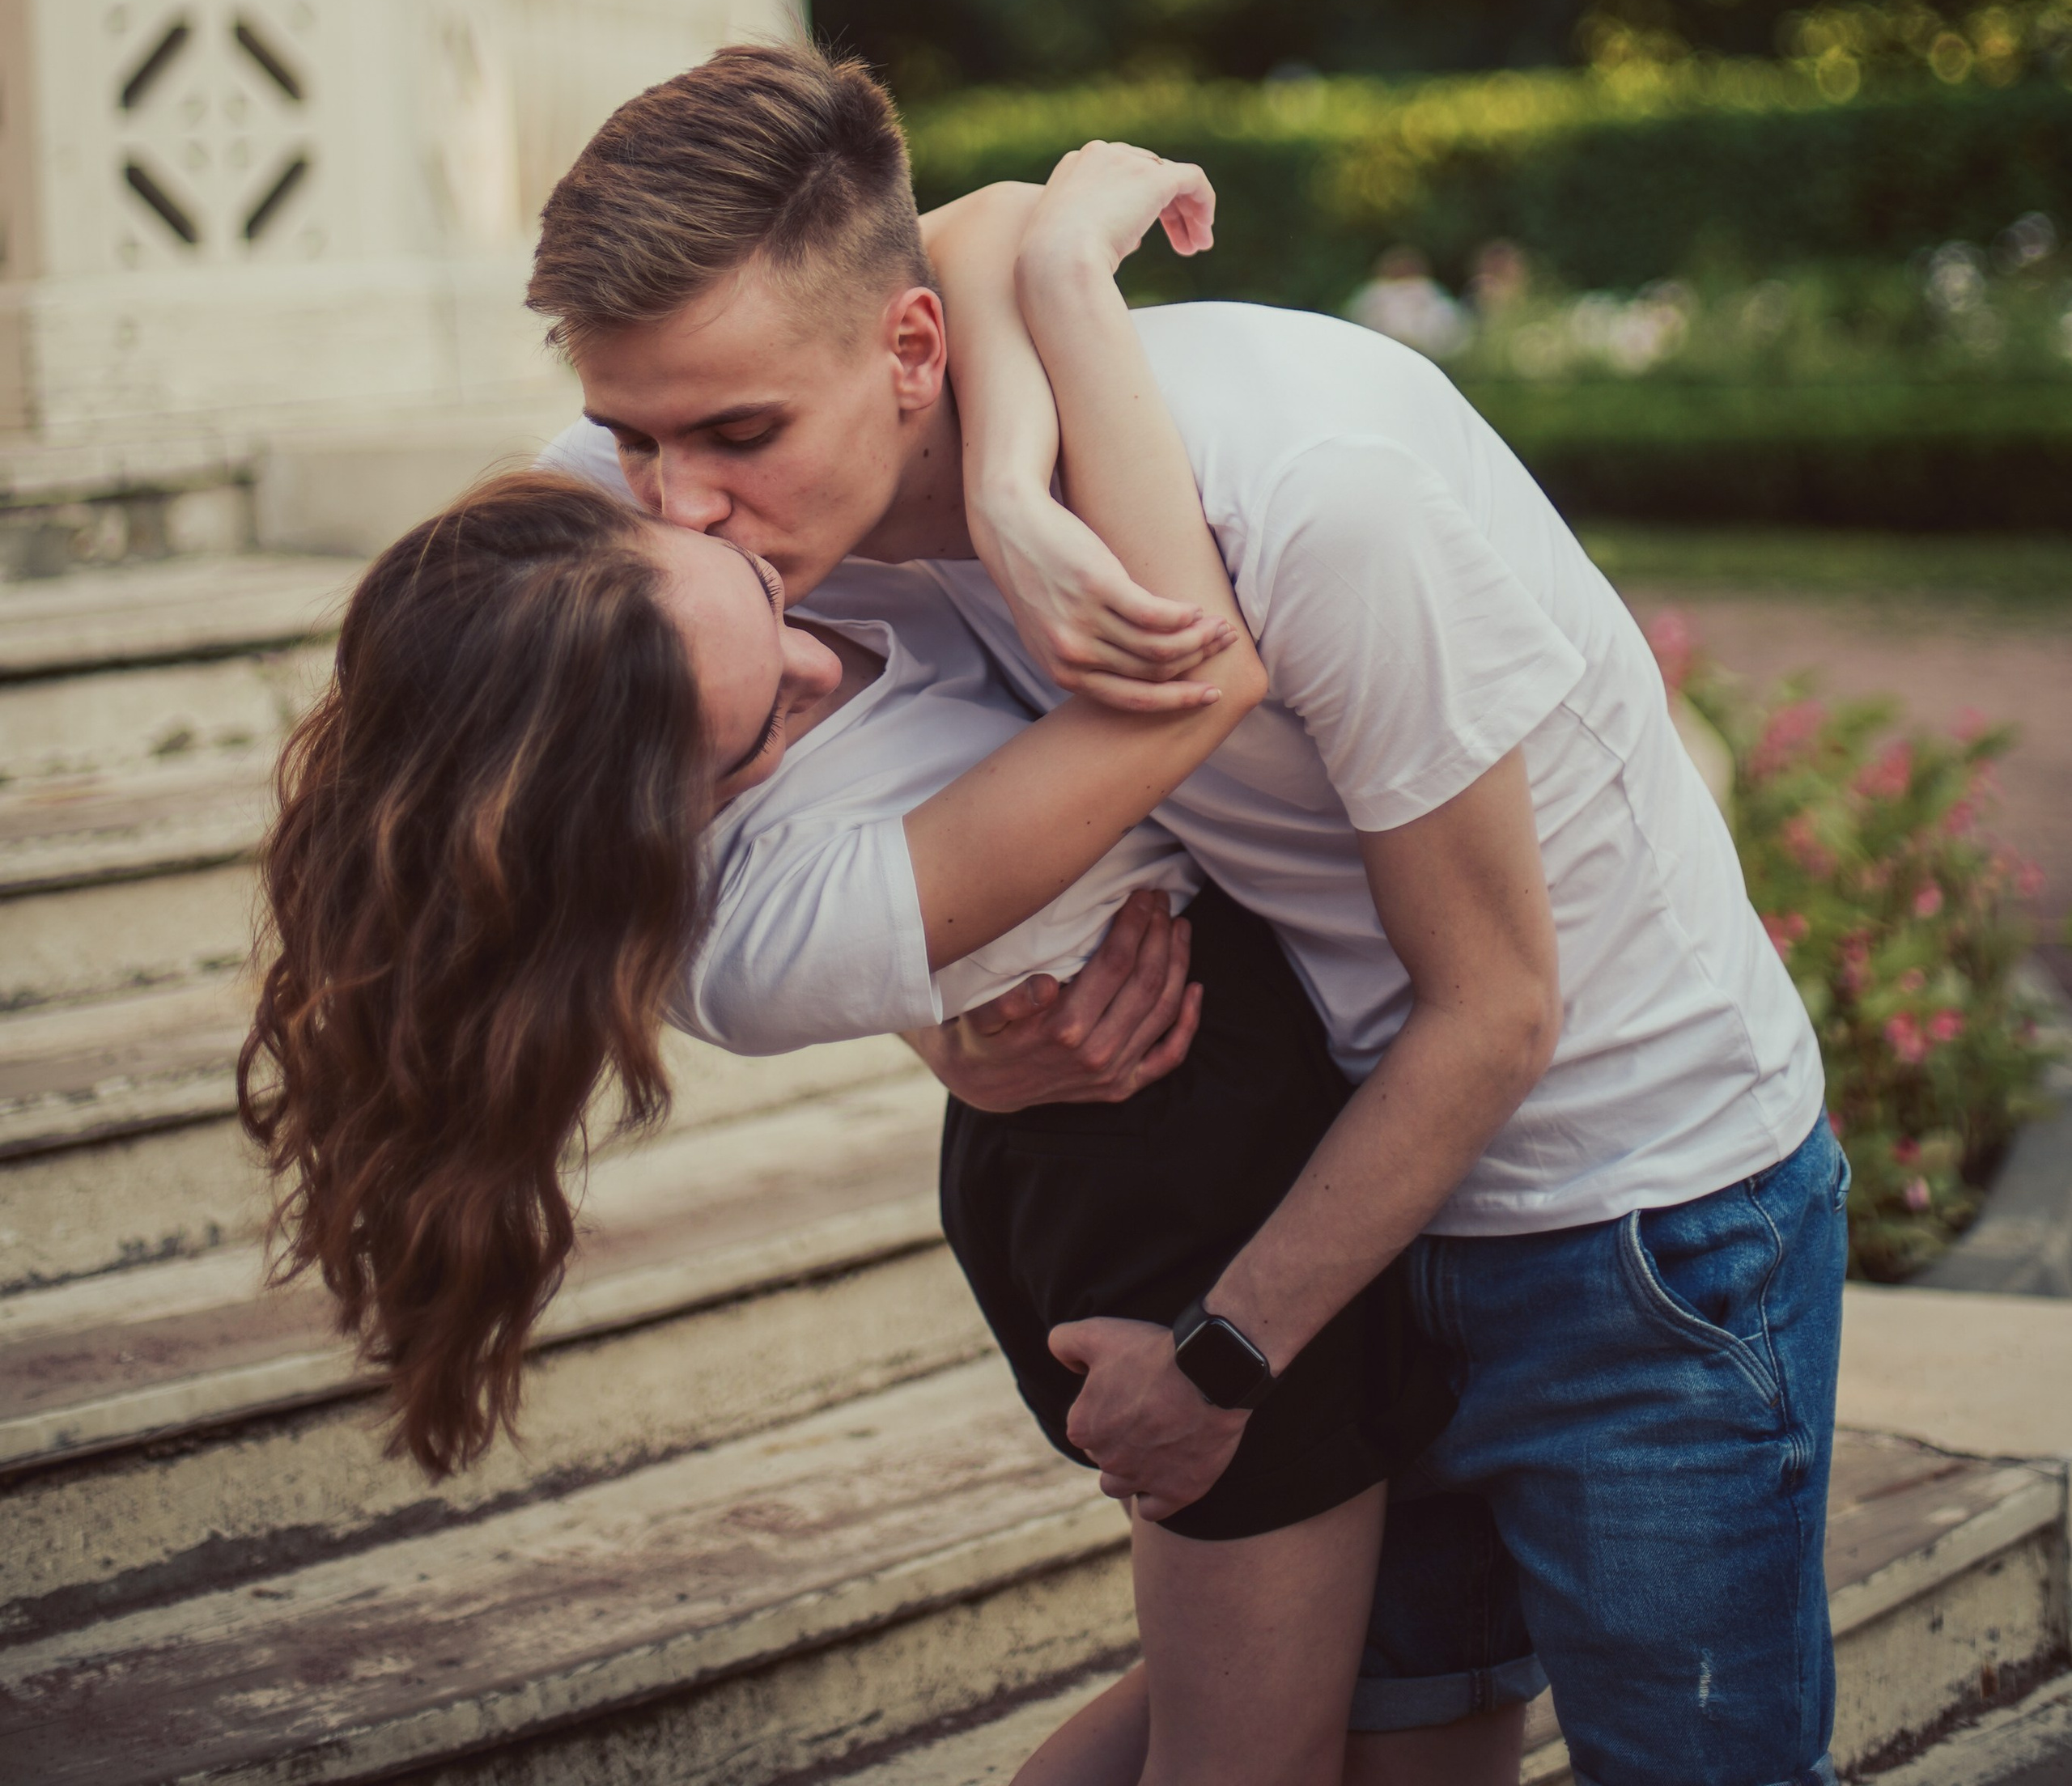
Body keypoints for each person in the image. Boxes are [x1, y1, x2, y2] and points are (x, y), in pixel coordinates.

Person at [531, 44, 1850, 1786]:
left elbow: (1497, 1016)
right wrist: (957, 1027)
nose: (676, 505)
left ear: (907, 352)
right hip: (1340, 1175)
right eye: (634, 435)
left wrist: (1222, 1355)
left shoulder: (1313, 497)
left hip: (1631, 1214)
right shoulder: (714, 509)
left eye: (731, 438)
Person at [238, 154, 1449, 1786]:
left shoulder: (607, 547)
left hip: (1164, 1105)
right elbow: (1190, 673)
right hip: (1163, 1177)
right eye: (782, 711)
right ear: (659, 801)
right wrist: (1076, 297)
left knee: (1247, 1696)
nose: (833, 654)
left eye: (766, 594)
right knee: (1258, 1749)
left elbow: (962, 229)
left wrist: (1005, 479)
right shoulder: (770, 924)